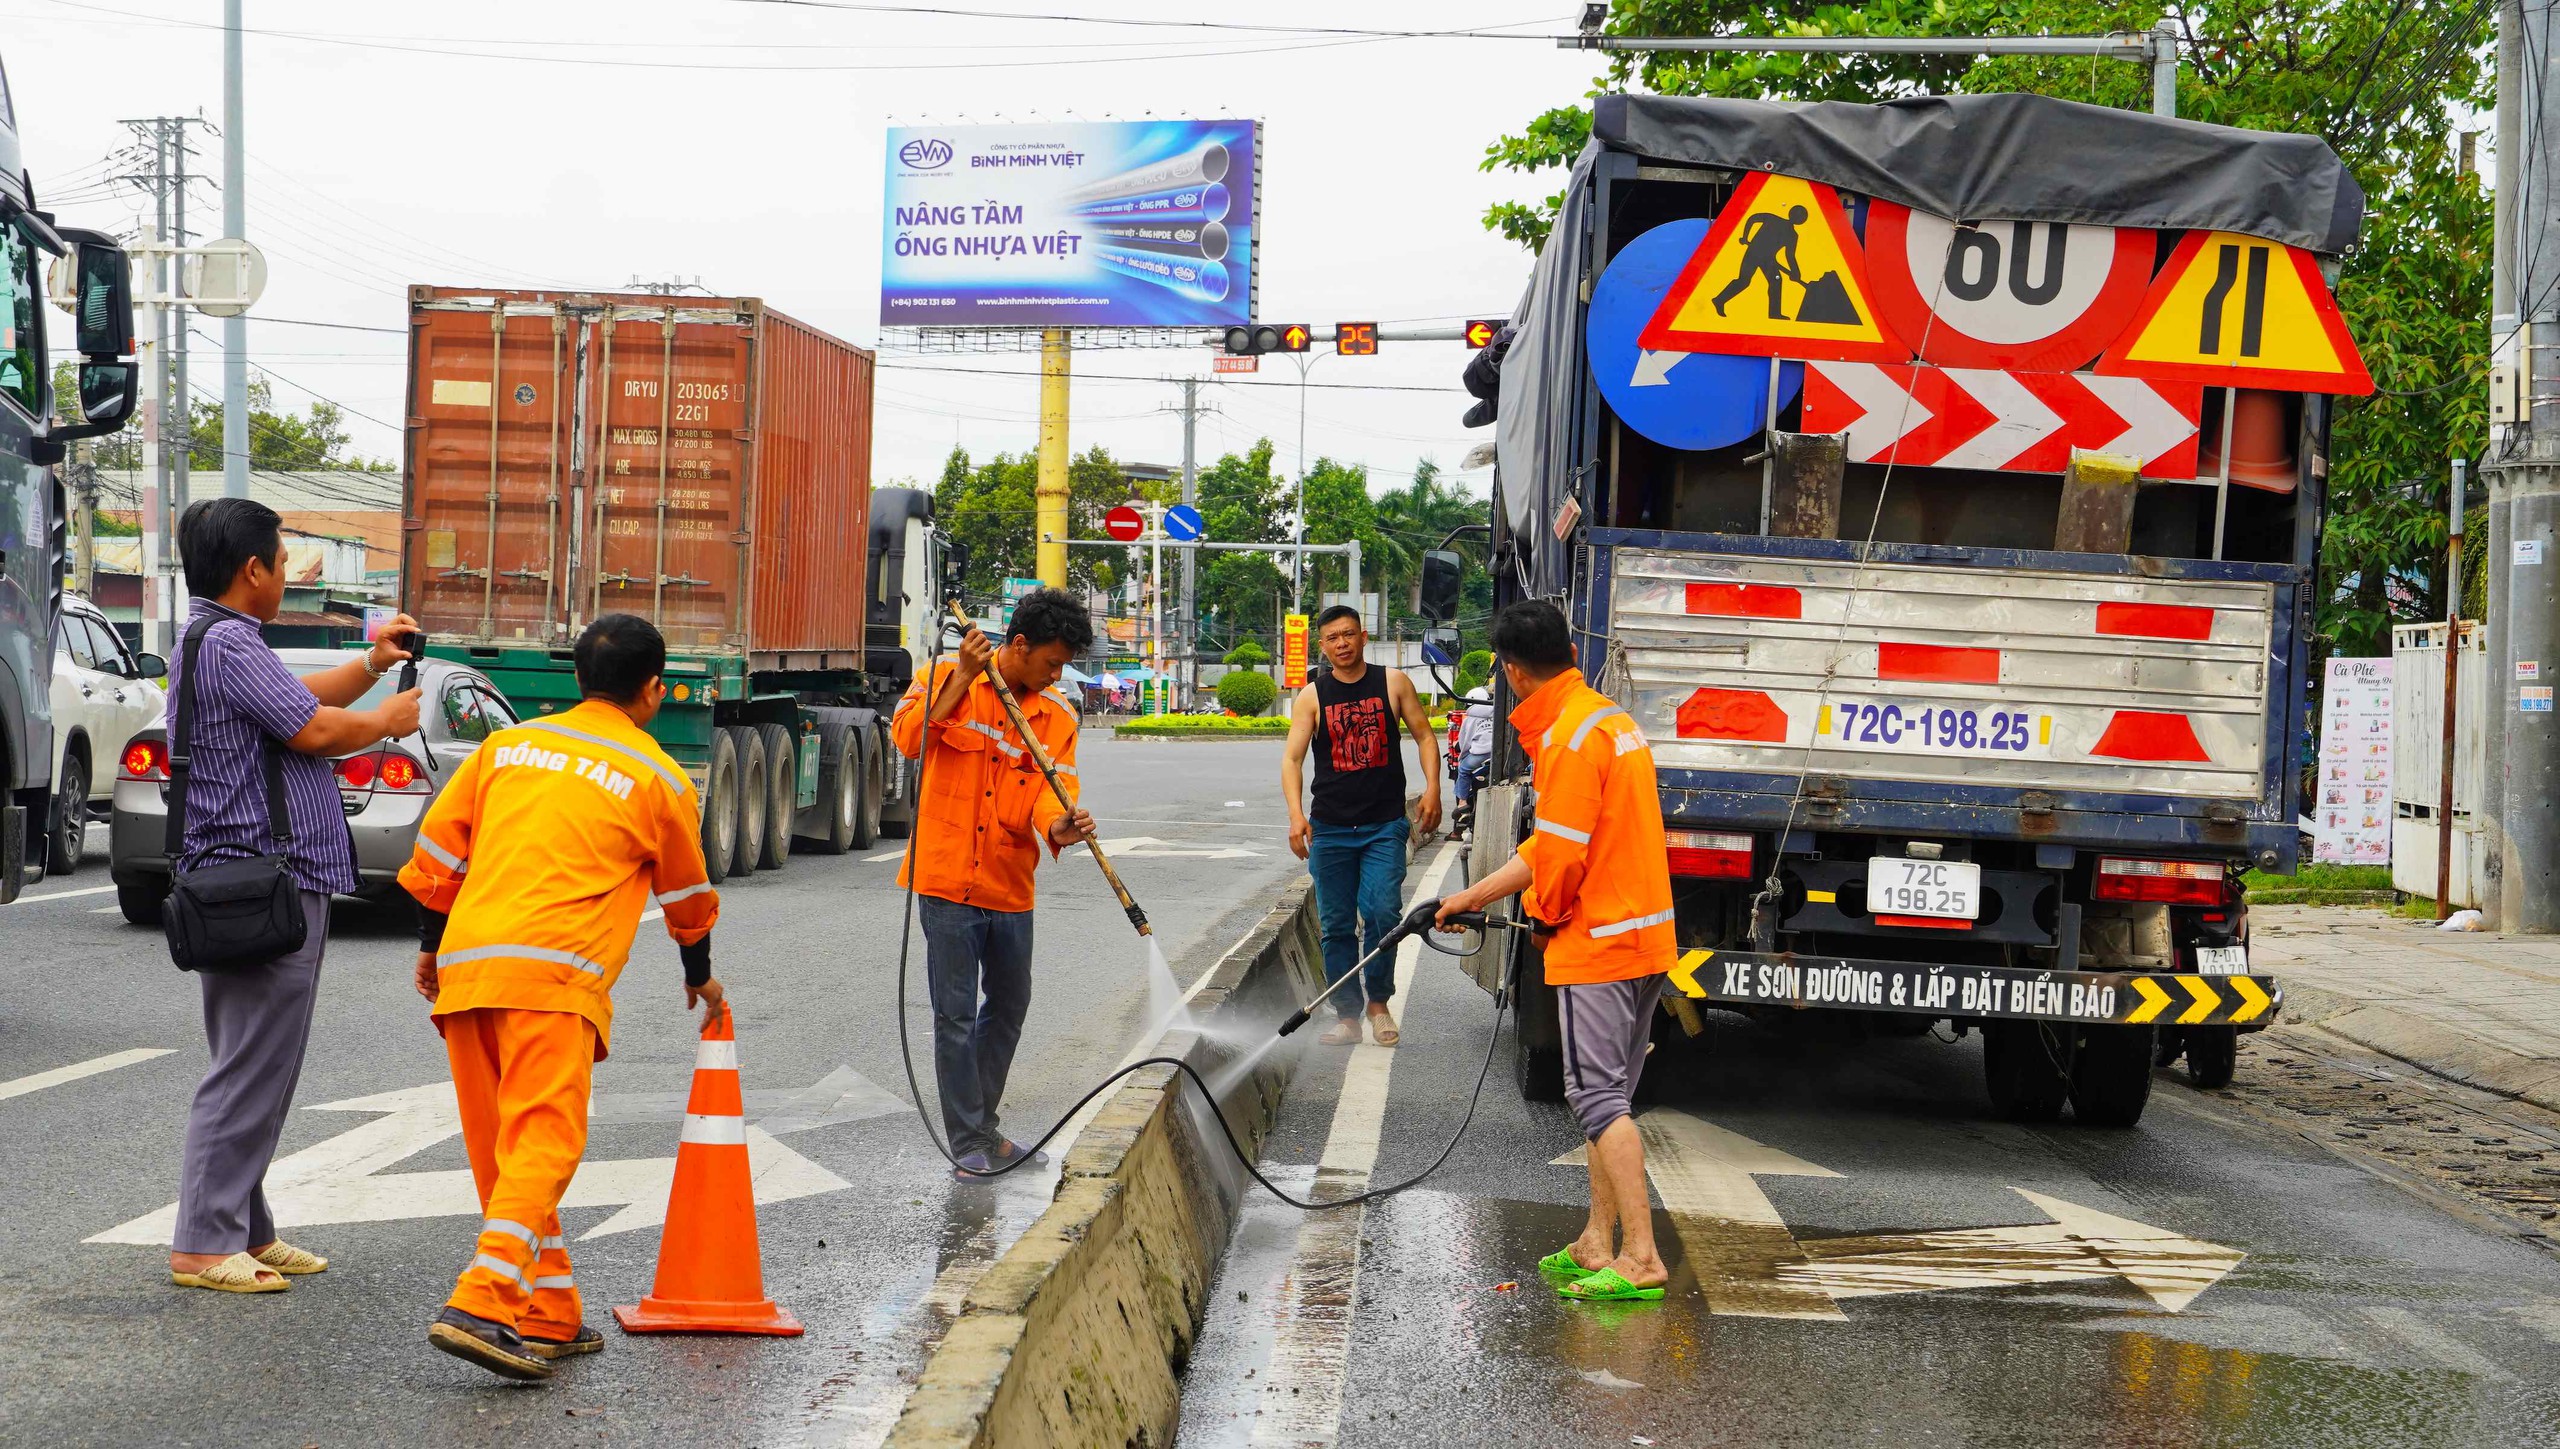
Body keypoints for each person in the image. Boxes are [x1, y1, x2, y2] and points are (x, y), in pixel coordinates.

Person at [399, 613, 724, 1381]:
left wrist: (428, 946)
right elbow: (686, 893)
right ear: (654, 690)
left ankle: (545, 1312)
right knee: (543, 1145)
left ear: (578, 679)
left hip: (470, 966)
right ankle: (481, 1299)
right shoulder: (658, 776)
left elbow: (440, 849)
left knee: (505, 1159)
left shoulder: (505, 748)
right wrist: (698, 974)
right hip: (553, 977)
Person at [163, 497, 423, 1295]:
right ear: (254, 570)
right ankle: (204, 1243)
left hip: (258, 876)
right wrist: (384, 720)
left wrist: (374, 662)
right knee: (250, 1064)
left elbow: (302, 696)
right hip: (258, 879)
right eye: (283, 560)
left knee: (261, 1061)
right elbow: (312, 729)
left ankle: (245, 1226)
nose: (288, 572)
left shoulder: (224, 640)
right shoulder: (230, 641)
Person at [1436, 600, 1676, 1303]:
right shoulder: (1608, 719)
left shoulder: (1569, 737)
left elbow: (1561, 862)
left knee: (1597, 1097)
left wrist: (1539, 918)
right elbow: (1550, 845)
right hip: (1641, 936)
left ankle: (1641, 1255)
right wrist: (1474, 895)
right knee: (1613, 1095)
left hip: (1600, 940)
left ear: (1512, 670)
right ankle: (1597, 1240)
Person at [893, 588, 1098, 1180]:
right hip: (945, 878)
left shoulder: (1056, 717)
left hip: (1010, 883)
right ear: (1019, 644)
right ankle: (969, 1141)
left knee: (1009, 1004)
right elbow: (909, 739)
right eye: (1051, 663)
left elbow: (1051, 796)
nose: (1056, 675)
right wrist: (961, 676)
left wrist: (1060, 824)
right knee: (953, 1015)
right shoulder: (942, 674)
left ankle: (981, 1126)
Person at [1281, 604, 1442, 1047]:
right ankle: (1347, 1014)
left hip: (1383, 824)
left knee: (1382, 912)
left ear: (1363, 636)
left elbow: (1426, 735)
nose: (1342, 644)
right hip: (1330, 828)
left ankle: (1379, 1004)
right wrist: (1297, 815)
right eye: (1333, 638)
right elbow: (1293, 758)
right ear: (1323, 644)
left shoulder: (1393, 682)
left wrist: (1433, 788)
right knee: (1334, 923)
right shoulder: (1312, 696)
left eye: (1349, 634)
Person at [1451, 684, 1495, 839]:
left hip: (1480, 755)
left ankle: (1462, 804)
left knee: (1463, 770)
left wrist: (1461, 756)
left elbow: (1464, 743)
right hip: (1497, 754)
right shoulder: (1496, 712)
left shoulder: (1471, 718)